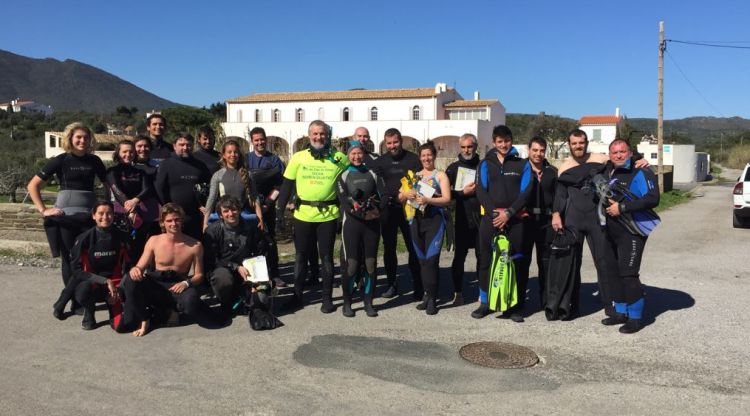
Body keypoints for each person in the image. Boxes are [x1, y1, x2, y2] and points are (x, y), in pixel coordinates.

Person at [27, 122, 107, 299]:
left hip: (89, 216)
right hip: (65, 217)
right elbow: (33, 185)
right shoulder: (61, 160)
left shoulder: (95, 161)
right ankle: (74, 299)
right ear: (70, 138)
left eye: (86, 137)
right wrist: (44, 209)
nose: (82, 140)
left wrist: (108, 208)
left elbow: (109, 185)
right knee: (70, 259)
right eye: (78, 137)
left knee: (89, 257)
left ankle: (88, 293)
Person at [276, 120, 348, 313]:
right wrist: (279, 211)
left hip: (328, 216)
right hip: (303, 216)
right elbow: (287, 186)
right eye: (315, 134)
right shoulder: (298, 158)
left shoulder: (339, 157)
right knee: (300, 257)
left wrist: (346, 213)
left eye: (322, 133)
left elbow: (352, 180)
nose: (318, 137)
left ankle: (327, 299)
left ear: (327, 135)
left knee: (326, 257)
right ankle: (297, 297)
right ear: (309, 135)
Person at [552, 129, 620, 318]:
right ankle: (572, 305)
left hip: (596, 219)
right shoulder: (564, 167)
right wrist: (556, 213)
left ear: (586, 142)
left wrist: (640, 160)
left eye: (581, 142)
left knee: (603, 262)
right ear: (569, 145)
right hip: (573, 220)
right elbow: (561, 195)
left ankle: (609, 305)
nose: (578, 146)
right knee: (573, 263)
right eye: (574, 143)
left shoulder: (600, 159)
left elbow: (623, 160)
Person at [472, 125, 532, 323]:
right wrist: (494, 213)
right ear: (494, 142)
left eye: (506, 140)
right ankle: (485, 302)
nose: (503, 144)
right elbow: (481, 190)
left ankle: (513, 305)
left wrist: (509, 213)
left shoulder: (523, 164)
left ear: (511, 141)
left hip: (515, 220)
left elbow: (526, 192)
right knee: (486, 261)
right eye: (499, 141)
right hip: (491, 220)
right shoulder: (485, 164)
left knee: (515, 261)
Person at [600, 139, 659, 333]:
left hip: (632, 231)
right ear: (609, 154)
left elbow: (653, 198)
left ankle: (635, 318)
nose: (618, 155)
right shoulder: (608, 170)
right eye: (614, 152)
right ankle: (620, 312)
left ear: (630, 152)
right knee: (613, 272)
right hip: (610, 230)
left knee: (628, 274)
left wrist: (623, 207)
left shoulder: (641, 171)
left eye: (622, 152)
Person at [120, 203, 206, 337]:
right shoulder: (154, 240)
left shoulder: (195, 245)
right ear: (163, 223)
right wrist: (135, 270)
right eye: (169, 220)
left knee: (192, 302)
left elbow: (199, 275)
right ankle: (145, 319)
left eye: (177, 219)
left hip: (178, 284)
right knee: (130, 279)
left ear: (182, 221)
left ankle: (173, 310)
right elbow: (140, 266)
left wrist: (186, 283)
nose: (173, 224)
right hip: (156, 283)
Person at [52, 201, 131, 330]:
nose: (105, 217)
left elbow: (129, 267)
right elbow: (76, 272)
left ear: (114, 216)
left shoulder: (122, 237)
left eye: (109, 213)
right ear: (93, 216)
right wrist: (104, 281)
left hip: (115, 286)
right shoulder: (84, 238)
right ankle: (89, 311)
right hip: (93, 283)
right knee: (83, 289)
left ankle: (113, 308)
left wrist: (121, 289)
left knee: (120, 327)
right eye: (101, 213)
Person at [203, 195, 274, 323]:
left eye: (234, 209)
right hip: (223, 270)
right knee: (222, 278)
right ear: (220, 215)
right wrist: (235, 267)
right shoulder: (212, 231)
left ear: (239, 210)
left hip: (247, 270)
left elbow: (260, 254)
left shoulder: (252, 228)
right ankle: (225, 303)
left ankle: (245, 297)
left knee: (263, 300)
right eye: (226, 211)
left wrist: (257, 280)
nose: (231, 214)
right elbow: (212, 259)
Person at [370, 128, 422, 300]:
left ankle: (418, 284)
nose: (392, 146)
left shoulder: (413, 159)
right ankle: (391, 284)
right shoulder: (380, 162)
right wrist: (394, 196)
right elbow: (377, 186)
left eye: (395, 142)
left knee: (413, 246)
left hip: (410, 208)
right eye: (389, 143)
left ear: (401, 141)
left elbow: (420, 182)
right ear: (385, 143)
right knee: (389, 248)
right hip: (389, 209)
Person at [400, 141, 451, 315]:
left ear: (434, 156)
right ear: (420, 158)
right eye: (423, 155)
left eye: (429, 155)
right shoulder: (415, 176)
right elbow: (400, 196)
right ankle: (427, 296)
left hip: (435, 221)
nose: (426, 158)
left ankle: (433, 299)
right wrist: (407, 194)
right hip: (417, 220)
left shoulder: (440, 175)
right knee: (421, 261)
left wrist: (428, 200)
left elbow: (447, 199)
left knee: (431, 260)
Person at [336, 142, 387, 317]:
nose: (356, 157)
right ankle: (347, 303)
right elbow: (343, 201)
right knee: (352, 265)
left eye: (359, 153)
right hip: (352, 224)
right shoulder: (343, 175)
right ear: (348, 155)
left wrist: (377, 210)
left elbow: (384, 195)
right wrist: (360, 213)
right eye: (353, 154)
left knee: (371, 264)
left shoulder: (373, 173)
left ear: (363, 155)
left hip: (372, 224)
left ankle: (368, 302)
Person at [519, 136, 558, 310]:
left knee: (546, 263)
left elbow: (559, 196)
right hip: (525, 222)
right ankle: (518, 302)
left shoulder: (552, 172)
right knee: (522, 262)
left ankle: (546, 302)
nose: (538, 154)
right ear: (529, 150)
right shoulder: (520, 169)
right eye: (535, 150)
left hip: (546, 222)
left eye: (542, 150)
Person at [445, 133, 481, 306]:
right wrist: (462, 193)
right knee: (459, 258)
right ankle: (458, 293)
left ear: (476, 146)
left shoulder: (484, 166)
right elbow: (445, 194)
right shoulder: (452, 168)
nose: (467, 150)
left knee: (483, 258)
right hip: (461, 219)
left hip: (481, 220)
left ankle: (484, 294)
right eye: (464, 147)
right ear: (460, 147)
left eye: (470, 146)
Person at [247, 128, 285, 287]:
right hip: (249, 206)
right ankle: (254, 275)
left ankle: (274, 274)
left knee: (270, 240)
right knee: (250, 240)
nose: (260, 142)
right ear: (252, 141)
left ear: (266, 139)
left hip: (267, 206)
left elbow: (281, 185)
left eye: (262, 139)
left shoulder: (275, 160)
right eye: (256, 140)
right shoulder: (246, 159)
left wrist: (268, 204)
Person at [154, 132, 211, 240]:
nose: (185, 148)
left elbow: (208, 187)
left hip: (194, 217)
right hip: (172, 218)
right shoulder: (166, 164)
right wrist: (168, 208)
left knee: (194, 246)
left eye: (189, 145)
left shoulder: (200, 166)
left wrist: (203, 204)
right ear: (174, 146)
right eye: (182, 145)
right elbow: (159, 189)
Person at [106, 139, 157, 259]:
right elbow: (117, 191)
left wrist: (135, 200)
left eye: (131, 152)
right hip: (121, 212)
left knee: (140, 247)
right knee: (122, 248)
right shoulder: (112, 171)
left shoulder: (140, 172)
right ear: (118, 153)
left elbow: (147, 189)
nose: (128, 155)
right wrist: (129, 209)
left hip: (140, 213)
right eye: (124, 152)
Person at [203, 139, 264, 231]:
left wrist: (260, 218)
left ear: (239, 154)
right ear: (223, 155)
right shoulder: (218, 175)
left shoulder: (247, 174)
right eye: (229, 152)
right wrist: (205, 222)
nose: (233, 155)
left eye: (235, 152)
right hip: (225, 217)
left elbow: (255, 198)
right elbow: (211, 199)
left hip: (242, 217)